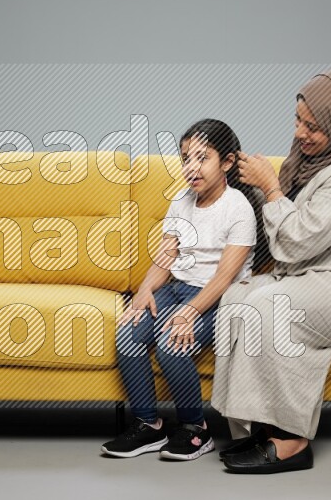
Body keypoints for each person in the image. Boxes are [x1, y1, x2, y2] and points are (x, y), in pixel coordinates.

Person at [211, 70, 331, 474]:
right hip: (312, 273)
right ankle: (260, 424)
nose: (300, 133)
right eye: (298, 120)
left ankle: (292, 441)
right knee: (236, 298)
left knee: (272, 308)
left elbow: (298, 241)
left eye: (313, 127)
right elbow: (290, 236)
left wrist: (271, 188)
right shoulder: (310, 161)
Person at [101, 119, 260, 460]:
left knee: (172, 344)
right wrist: (144, 290)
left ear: (227, 162)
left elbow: (224, 277)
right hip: (177, 289)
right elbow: (165, 258)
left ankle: (195, 429)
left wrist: (188, 313)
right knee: (128, 333)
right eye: (186, 158)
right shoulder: (181, 201)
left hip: (217, 297)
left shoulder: (238, 208)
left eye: (203, 158)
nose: (192, 167)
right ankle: (149, 425)